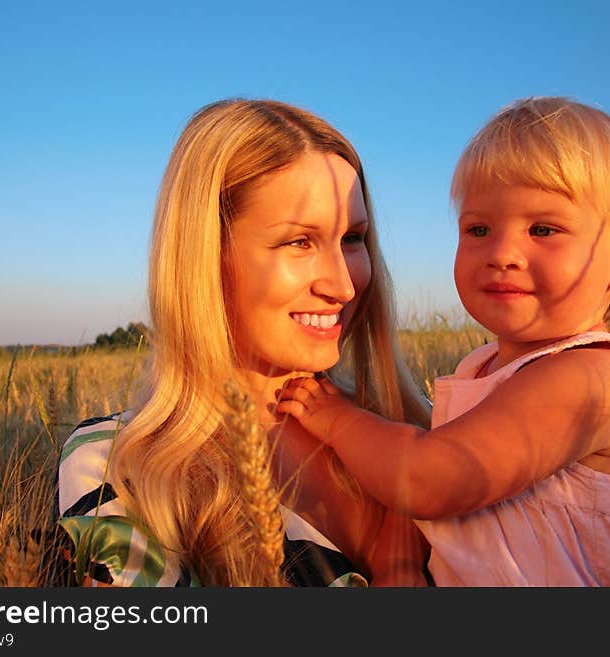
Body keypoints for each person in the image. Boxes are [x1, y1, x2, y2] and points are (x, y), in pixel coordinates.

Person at [278, 96, 610, 586]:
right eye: (478, 228)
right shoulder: (483, 369)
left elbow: (430, 479)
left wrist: (336, 418)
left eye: (543, 229)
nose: (502, 252)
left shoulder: (593, 378)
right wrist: (400, 565)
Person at [55, 98, 432, 587]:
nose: (343, 285)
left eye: (353, 238)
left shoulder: (419, 424)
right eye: (300, 241)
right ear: (206, 256)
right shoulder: (121, 468)